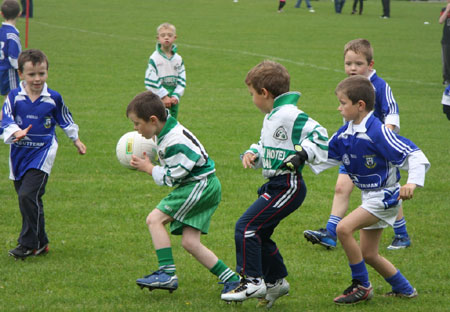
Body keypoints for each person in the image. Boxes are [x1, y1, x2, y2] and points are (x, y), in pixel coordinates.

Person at [308, 75, 429, 304]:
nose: (339, 108)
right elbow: (323, 155)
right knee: (369, 254)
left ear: (360, 105)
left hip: (386, 197)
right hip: (370, 197)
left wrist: (412, 182)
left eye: (343, 103)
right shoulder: (346, 132)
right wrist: (296, 158)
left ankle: (361, 286)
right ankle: (405, 289)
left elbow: (414, 154)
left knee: (343, 229)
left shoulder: (378, 132)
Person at [221, 60, 328, 307]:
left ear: (265, 93)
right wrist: (253, 153)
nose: (252, 100)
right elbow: (265, 145)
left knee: (245, 227)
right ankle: (277, 282)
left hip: (288, 185)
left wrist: (303, 154)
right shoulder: (272, 116)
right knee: (259, 233)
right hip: (276, 185)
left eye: (252, 95)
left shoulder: (290, 114)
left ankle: (252, 280)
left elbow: (321, 135)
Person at [127, 91, 240, 295]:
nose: (135, 129)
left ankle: (167, 273)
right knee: (190, 242)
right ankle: (231, 278)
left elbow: (172, 177)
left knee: (154, 219)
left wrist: (149, 168)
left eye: (136, 123)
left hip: (200, 186)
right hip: (202, 185)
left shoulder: (175, 141)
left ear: (153, 120)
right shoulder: (165, 127)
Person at [303, 38, 411, 251]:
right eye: (348, 64)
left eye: (358, 64)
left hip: (376, 151)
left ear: (370, 65)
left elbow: (392, 112)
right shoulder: (350, 87)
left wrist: (383, 137)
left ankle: (402, 234)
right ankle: (331, 233)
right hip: (351, 147)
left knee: (386, 191)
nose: (352, 68)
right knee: (341, 187)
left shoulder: (380, 86)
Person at [2, 49, 86, 259]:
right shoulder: (14, 97)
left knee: (27, 195)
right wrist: (15, 132)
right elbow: (4, 119)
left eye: (42, 73)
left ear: (47, 72)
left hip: (42, 154)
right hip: (19, 156)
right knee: (29, 199)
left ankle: (28, 244)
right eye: (32, 74)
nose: (37, 79)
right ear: (21, 74)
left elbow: (65, 119)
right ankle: (41, 242)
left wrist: (76, 140)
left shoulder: (53, 98)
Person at [144, 23, 185, 120]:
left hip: (173, 98)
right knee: (156, 123)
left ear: (175, 37)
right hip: (157, 96)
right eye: (163, 35)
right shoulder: (154, 58)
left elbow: (182, 80)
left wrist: (176, 95)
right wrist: (163, 96)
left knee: (171, 123)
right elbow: (150, 80)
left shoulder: (178, 59)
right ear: (158, 38)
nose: (166, 38)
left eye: (169, 35)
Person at [0, 0, 21, 140]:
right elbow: (14, 58)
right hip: (8, 72)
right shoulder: (12, 34)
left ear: (1, 14)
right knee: (11, 98)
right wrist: (21, 69)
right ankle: (5, 126)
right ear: (19, 14)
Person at [439, 1, 450, 85]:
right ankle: (446, 78)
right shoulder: (444, 10)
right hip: (446, 39)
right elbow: (441, 21)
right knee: (446, 60)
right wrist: (447, 10)